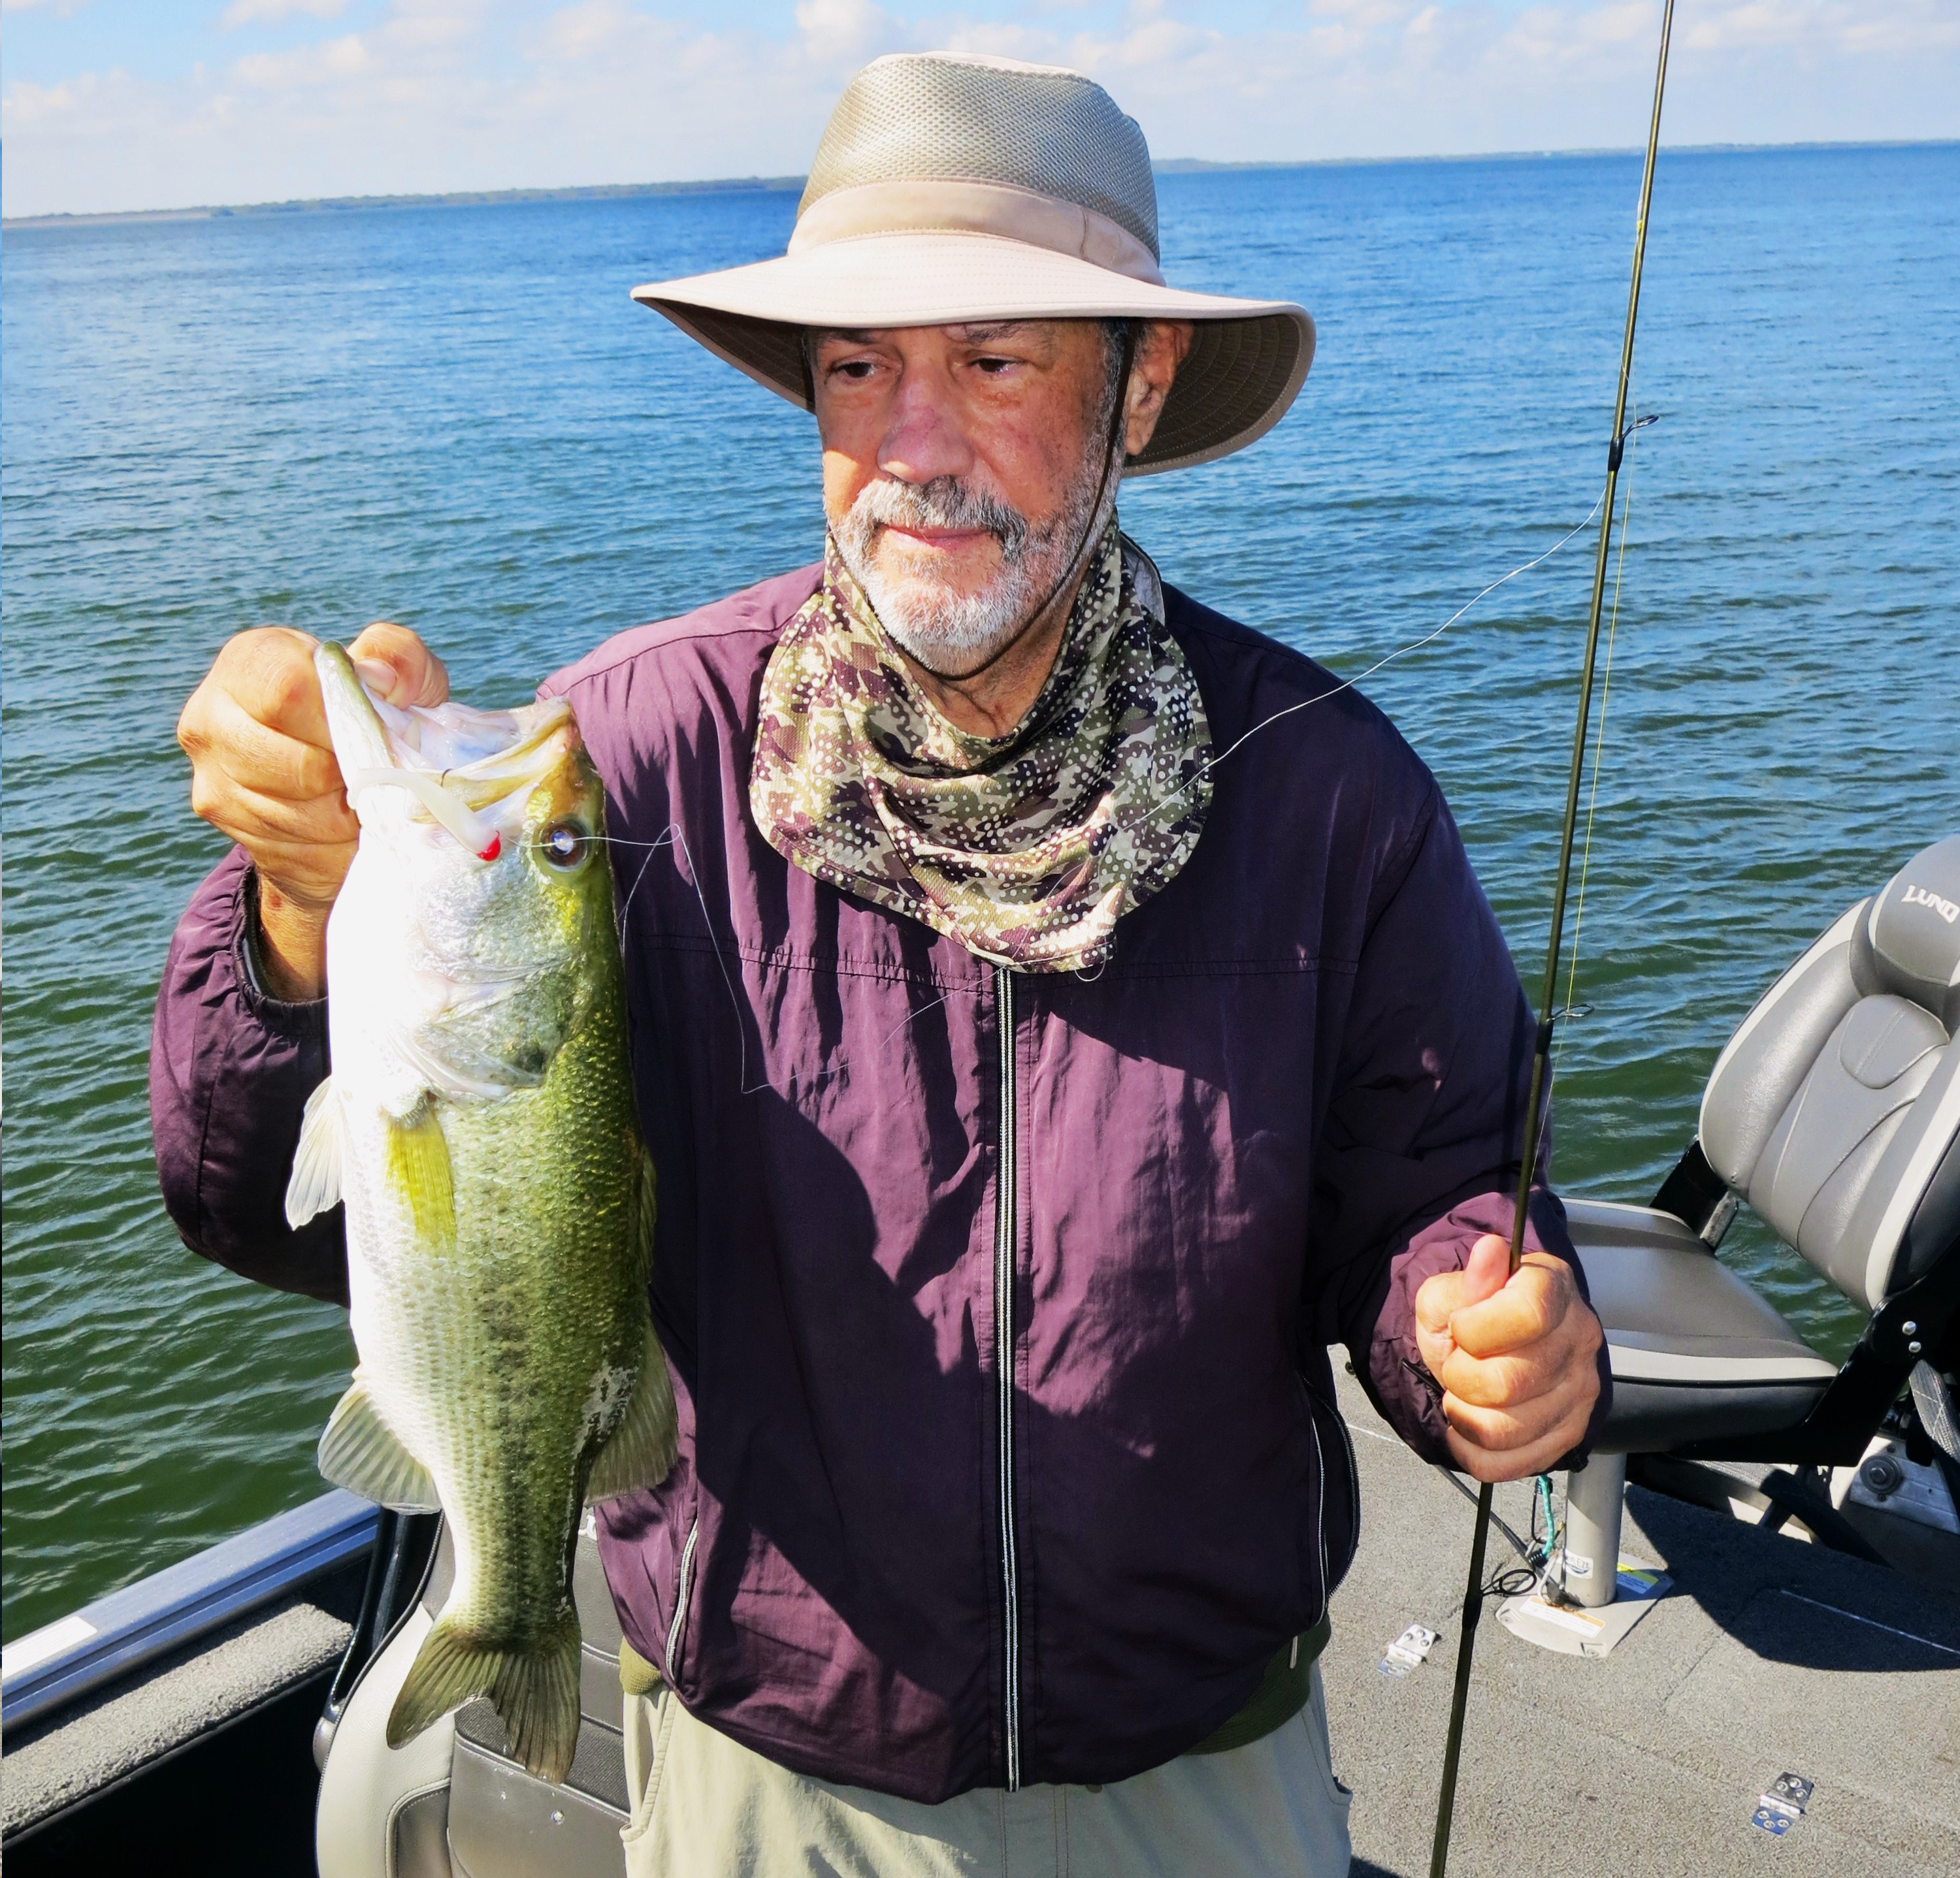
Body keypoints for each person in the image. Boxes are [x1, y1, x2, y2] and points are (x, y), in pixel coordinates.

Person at [154, 50, 1606, 1877]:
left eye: (993, 361)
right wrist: (293, 917)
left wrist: (1482, 1336)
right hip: (773, 1778)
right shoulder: (627, 759)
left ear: (1137, 385)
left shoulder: (1331, 793)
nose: (914, 442)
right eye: (859, 367)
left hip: (1207, 1773)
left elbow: (1439, 1191)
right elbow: (261, 1208)